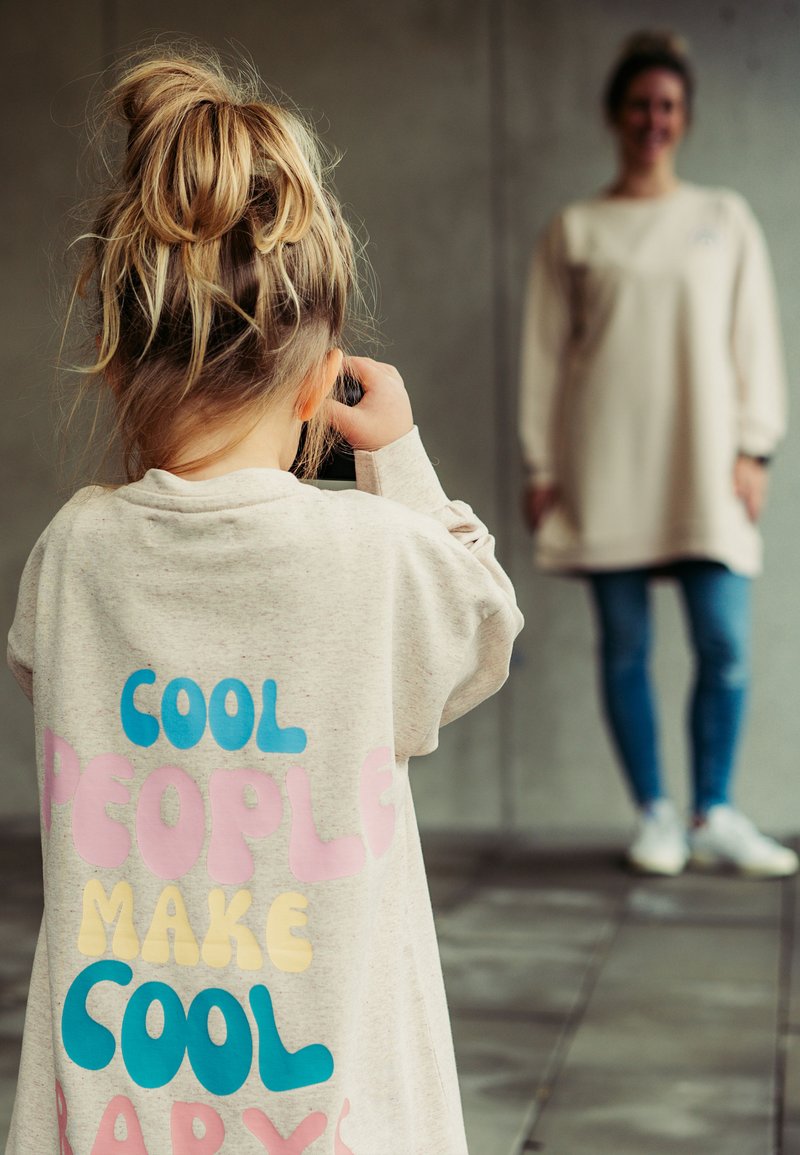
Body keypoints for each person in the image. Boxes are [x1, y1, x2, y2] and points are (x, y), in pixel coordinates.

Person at [6, 49, 523, 1154]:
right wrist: (399, 459)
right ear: (320, 383)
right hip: (335, 1122)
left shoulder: (71, 554)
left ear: (114, 360)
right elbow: (482, 628)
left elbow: (46, 671)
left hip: (115, 1117)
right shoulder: (376, 557)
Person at [519, 30, 795, 879]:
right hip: (606, 463)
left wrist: (755, 448)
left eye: (668, 106)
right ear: (616, 114)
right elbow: (543, 355)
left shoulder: (725, 219)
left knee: (725, 644)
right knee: (625, 646)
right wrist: (541, 463)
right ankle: (656, 814)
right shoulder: (576, 229)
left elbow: (755, 337)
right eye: (640, 104)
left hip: (706, 461)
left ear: (686, 118)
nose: (654, 119)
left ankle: (714, 810)